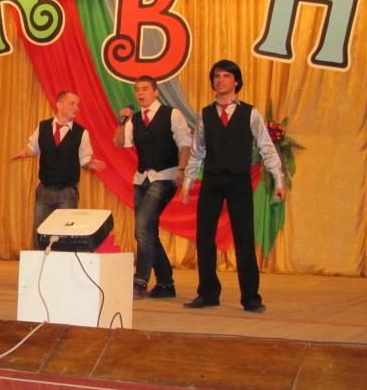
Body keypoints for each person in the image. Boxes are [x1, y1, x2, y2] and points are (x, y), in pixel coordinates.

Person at [180, 59, 286, 313]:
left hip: (239, 180)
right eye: (217, 76)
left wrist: (279, 180)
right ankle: (208, 293)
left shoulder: (251, 113)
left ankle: (250, 296)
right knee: (204, 236)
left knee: (244, 237)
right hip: (212, 180)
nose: (220, 80)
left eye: (226, 76)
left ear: (236, 81)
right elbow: (197, 150)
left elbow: (266, 147)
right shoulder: (205, 114)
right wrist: (187, 181)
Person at [113, 76, 191, 299]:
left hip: (166, 176)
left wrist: (182, 170)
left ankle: (140, 282)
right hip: (141, 179)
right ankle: (166, 284)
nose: (140, 93)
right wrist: (122, 122)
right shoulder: (135, 119)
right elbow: (119, 143)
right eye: (137, 90)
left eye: (145, 89)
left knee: (143, 227)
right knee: (146, 231)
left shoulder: (171, 114)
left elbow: (185, 144)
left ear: (156, 92)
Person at [11, 90, 105, 248]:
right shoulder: (43, 127)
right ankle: (40, 263)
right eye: (72, 104)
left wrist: (89, 164)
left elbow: (84, 159)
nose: (76, 108)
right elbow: (33, 148)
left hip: (67, 192)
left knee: (65, 236)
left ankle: (62, 263)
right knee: (40, 234)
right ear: (59, 105)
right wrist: (24, 153)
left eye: (78, 105)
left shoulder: (82, 133)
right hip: (44, 191)